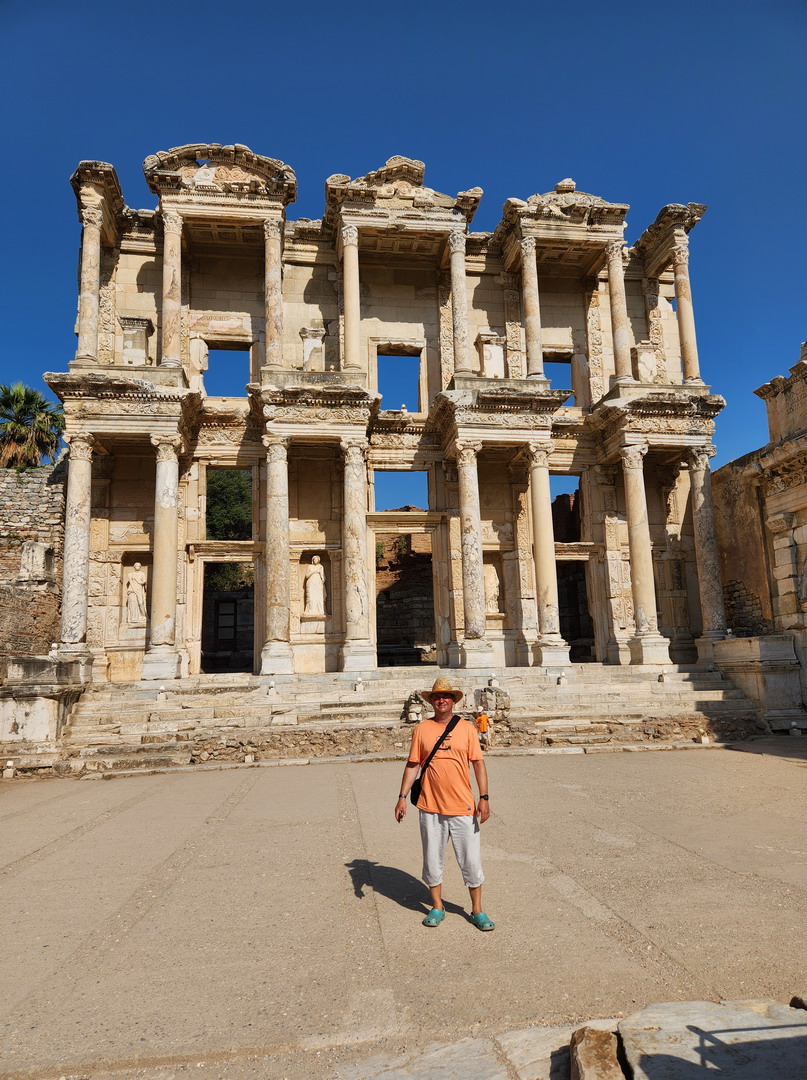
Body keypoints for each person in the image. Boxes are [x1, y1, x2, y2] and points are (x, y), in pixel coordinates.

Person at [394, 678, 494, 931]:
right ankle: (437, 906)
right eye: (437, 696)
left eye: (446, 696)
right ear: (431, 701)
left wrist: (484, 798)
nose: (442, 700)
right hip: (430, 805)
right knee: (432, 860)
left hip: (463, 806)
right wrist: (402, 797)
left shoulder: (467, 728)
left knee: (471, 861)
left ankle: (477, 910)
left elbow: (478, 763)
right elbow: (413, 765)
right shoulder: (422, 729)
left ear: (453, 700)